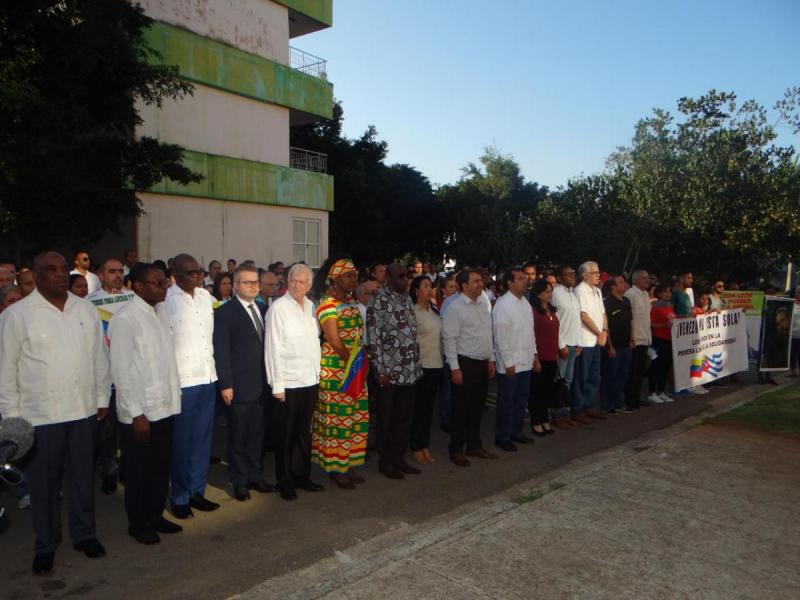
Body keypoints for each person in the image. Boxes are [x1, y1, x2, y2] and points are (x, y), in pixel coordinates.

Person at [0, 251, 111, 575]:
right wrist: (13, 420)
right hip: (39, 418)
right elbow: (6, 371)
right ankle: (46, 544)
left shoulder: (85, 309)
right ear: (34, 276)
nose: (60, 274)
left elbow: (98, 357)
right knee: (44, 487)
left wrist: (102, 397)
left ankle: (84, 534)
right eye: (50, 269)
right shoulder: (17, 315)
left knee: (81, 479)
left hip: (82, 411)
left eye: (63, 269)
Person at [109, 263, 182, 545]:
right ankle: (137, 523)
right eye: (156, 283)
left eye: (164, 282)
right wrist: (136, 413)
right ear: (137, 286)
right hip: (141, 412)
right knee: (138, 470)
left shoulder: (161, 312)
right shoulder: (126, 319)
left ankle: (155, 515)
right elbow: (122, 371)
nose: (163, 287)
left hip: (165, 406)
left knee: (160, 467)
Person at [157, 253, 219, 518]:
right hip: (182, 382)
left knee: (202, 441)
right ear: (175, 274)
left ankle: (197, 491)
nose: (197, 277)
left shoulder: (206, 298)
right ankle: (179, 496)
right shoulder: (165, 302)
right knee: (181, 444)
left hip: (207, 377)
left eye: (200, 272)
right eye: (191, 272)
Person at [213, 265, 274, 502]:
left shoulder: (263, 308)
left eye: (256, 283)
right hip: (238, 386)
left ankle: (255, 474)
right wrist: (226, 384)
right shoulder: (225, 312)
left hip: (262, 384)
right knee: (238, 436)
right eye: (247, 282)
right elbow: (221, 351)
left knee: (257, 434)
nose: (253, 286)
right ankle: (239, 481)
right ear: (236, 285)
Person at [264, 264, 324, 501]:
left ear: (309, 285)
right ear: (287, 282)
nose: (297, 285)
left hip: (309, 380)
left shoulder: (310, 307)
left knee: (303, 433)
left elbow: (314, 343)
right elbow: (272, 348)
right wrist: (276, 385)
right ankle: (285, 480)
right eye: (293, 280)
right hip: (287, 382)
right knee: (285, 435)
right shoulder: (278, 308)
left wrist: (317, 375)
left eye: (302, 282)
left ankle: (302, 476)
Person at [311, 258, 369, 489]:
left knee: (356, 417)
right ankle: (336, 468)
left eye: (355, 275)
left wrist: (362, 363)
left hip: (354, 366)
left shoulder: (351, 302)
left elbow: (357, 335)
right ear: (335, 279)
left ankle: (349, 463)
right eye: (349, 276)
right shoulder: (327, 305)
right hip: (336, 369)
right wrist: (353, 364)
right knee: (337, 419)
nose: (354, 280)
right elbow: (334, 340)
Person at [367, 264, 422, 480]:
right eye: (401, 276)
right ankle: (385, 461)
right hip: (388, 373)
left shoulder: (407, 299)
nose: (405, 280)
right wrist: (380, 370)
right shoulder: (378, 301)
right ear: (389, 277)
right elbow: (374, 339)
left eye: (407, 276)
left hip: (409, 370)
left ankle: (399, 458)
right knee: (386, 420)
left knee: (403, 418)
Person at [88, 258, 134, 495]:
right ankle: (108, 471)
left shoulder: (133, 299)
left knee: (130, 427)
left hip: (131, 375)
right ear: (100, 275)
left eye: (120, 271)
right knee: (106, 433)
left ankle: (127, 467)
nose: (117, 275)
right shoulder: (89, 303)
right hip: (104, 377)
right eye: (111, 271)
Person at [443, 269, 497, 466]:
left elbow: (487, 332)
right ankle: (455, 449)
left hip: (482, 362)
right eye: (475, 281)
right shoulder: (455, 308)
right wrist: (455, 368)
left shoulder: (483, 303)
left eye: (480, 280)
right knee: (461, 409)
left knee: (477, 407)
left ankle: (474, 445)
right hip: (465, 363)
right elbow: (449, 339)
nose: (480, 283)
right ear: (464, 286)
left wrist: (490, 359)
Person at [492, 267, 537, 452]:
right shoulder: (502, 305)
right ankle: (503, 436)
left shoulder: (525, 303)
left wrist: (534, 355)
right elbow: (500, 336)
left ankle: (516, 432)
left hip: (526, 360)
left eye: (525, 278)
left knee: (521, 399)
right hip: (510, 363)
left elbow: (530, 332)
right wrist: (508, 362)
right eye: (520, 278)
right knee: (506, 401)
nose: (525, 281)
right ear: (509, 282)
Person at [409, 275, 443, 465]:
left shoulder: (434, 310)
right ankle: (416, 446)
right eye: (425, 286)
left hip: (436, 364)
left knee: (429, 409)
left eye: (431, 286)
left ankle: (424, 445)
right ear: (416, 291)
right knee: (418, 409)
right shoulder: (413, 312)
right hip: (421, 366)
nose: (430, 289)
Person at [572, 261, 608, 424]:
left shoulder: (597, 291)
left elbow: (603, 314)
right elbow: (583, 315)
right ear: (585, 275)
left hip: (596, 340)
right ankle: (578, 409)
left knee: (594, 375)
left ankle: (589, 406)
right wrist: (599, 332)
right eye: (595, 272)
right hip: (585, 340)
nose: (598, 275)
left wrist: (605, 332)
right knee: (582, 376)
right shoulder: (580, 290)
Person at [551, 265, 583, 428]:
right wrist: (560, 344)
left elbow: (576, 319)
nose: (572, 276)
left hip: (573, 343)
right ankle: (557, 415)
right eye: (568, 274)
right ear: (559, 277)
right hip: (562, 345)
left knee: (568, 381)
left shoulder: (573, 294)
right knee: (559, 381)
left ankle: (565, 412)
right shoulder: (556, 293)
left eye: (573, 274)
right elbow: (555, 320)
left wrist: (579, 342)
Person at [530, 279, 559, 436]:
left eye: (550, 291)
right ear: (538, 294)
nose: (550, 294)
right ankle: (536, 421)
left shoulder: (552, 311)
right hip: (539, 357)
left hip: (551, 355)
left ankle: (545, 419)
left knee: (547, 390)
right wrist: (535, 357)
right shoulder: (534, 312)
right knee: (537, 391)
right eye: (546, 292)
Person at [602, 275, 634, 415]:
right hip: (614, 346)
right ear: (613, 286)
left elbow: (631, 321)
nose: (624, 284)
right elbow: (606, 325)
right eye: (621, 282)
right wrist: (610, 346)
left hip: (626, 345)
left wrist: (632, 339)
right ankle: (608, 405)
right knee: (611, 376)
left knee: (623, 375)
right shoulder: (608, 302)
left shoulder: (627, 301)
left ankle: (619, 402)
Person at [624, 270, 652, 409]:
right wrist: (631, 338)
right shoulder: (630, 295)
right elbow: (629, 319)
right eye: (644, 278)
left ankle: (636, 396)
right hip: (635, 339)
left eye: (648, 278)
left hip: (645, 338)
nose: (647, 280)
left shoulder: (646, 295)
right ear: (635, 280)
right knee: (632, 371)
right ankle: (629, 400)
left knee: (640, 371)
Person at [648, 284, 675, 404]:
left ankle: (661, 391)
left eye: (669, 291)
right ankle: (652, 392)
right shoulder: (654, 306)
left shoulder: (670, 305)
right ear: (659, 294)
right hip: (658, 339)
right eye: (665, 291)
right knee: (656, 366)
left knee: (666, 365)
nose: (668, 294)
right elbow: (650, 323)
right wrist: (663, 326)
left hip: (669, 339)